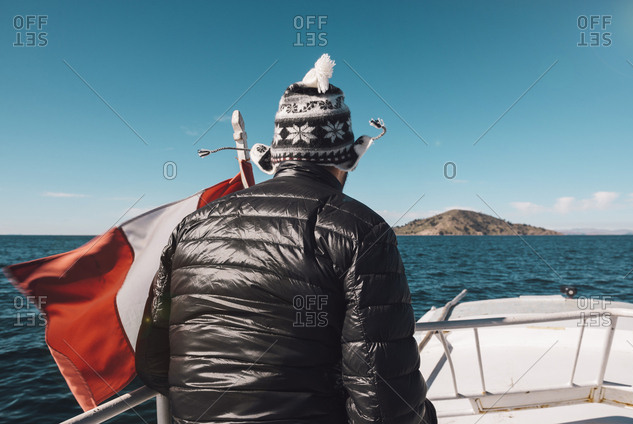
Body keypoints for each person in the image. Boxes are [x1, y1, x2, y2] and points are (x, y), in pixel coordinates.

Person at [136, 54, 437, 424]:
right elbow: (386, 404)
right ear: (350, 158)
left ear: (273, 158)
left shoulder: (190, 227)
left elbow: (153, 365)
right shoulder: (361, 230)